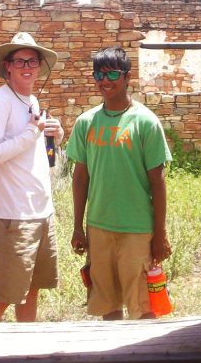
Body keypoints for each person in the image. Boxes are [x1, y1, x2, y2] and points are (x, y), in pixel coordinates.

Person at [66, 46, 172, 321]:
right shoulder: (86, 122)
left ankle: (145, 362)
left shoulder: (145, 122)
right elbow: (81, 178)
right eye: (98, 74)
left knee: (143, 307)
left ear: (127, 77)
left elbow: (158, 182)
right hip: (99, 227)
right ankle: (113, 362)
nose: (105, 80)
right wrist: (78, 227)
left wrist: (159, 234)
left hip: (137, 229)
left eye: (112, 73)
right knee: (108, 306)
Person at [0, 31, 64, 323]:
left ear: (40, 66)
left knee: (32, 289)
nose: (27, 66)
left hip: (40, 211)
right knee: (4, 295)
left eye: (33, 61)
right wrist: (32, 132)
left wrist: (55, 136)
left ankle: (27, 356)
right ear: (8, 66)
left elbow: (29, 150)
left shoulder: (32, 100)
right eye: (20, 61)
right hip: (14, 214)